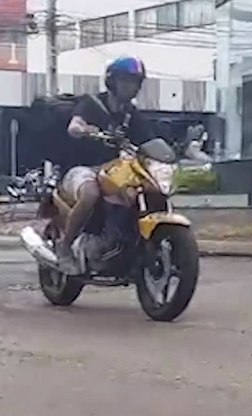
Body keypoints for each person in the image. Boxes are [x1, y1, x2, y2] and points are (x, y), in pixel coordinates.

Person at [57, 56, 155, 273]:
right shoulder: (91, 104)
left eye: (136, 82)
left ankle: (124, 242)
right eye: (127, 81)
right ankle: (64, 248)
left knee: (142, 191)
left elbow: (150, 141)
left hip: (116, 170)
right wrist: (83, 130)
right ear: (113, 81)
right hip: (83, 170)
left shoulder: (133, 115)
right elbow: (75, 125)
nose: (132, 87)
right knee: (91, 193)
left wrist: (173, 151)